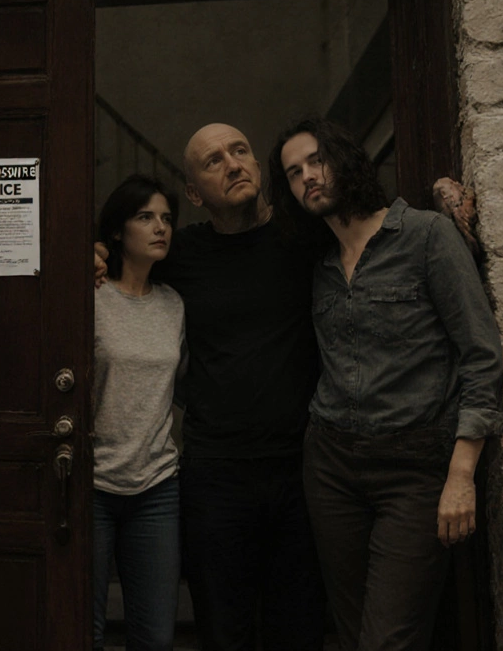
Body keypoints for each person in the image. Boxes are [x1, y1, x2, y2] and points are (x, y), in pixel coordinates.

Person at [269, 116, 503, 650]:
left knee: (387, 639)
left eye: (316, 160)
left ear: (345, 161)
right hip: (331, 468)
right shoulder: (320, 264)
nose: (307, 176)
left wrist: (462, 473)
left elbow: (482, 357)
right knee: (354, 635)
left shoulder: (425, 236)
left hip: (415, 469)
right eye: (292, 172)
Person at [96, 123, 325, 650]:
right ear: (196, 194)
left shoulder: (303, 236)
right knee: (224, 632)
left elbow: (367, 222)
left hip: (300, 468)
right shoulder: (184, 253)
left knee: (300, 626)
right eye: (214, 160)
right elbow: (126, 253)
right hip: (214, 476)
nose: (234, 163)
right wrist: (93, 255)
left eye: (240, 150)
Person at [91, 175, 186, 651]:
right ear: (116, 231)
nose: (160, 228)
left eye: (167, 218)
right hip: (91, 486)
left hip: (156, 486)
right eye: (145, 217)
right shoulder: (88, 296)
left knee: (154, 637)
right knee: (82, 630)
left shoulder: (174, 305)